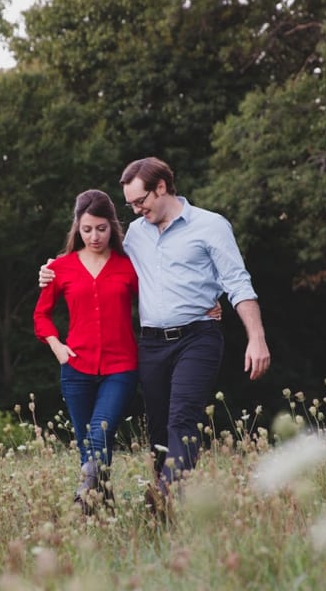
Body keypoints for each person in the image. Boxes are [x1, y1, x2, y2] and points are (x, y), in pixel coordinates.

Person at [41, 157, 271, 509]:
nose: (135, 210)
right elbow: (99, 271)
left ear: (161, 188)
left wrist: (255, 336)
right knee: (160, 428)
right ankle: (160, 502)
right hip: (151, 344)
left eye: (139, 201)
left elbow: (238, 282)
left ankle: (164, 497)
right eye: (130, 204)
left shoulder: (210, 226)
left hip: (198, 336)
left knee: (183, 416)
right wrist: (51, 271)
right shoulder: (136, 233)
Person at [34, 190, 139, 513]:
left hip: (120, 368)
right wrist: (57, 347)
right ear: (77, 228)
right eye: (87, 229)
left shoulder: (129, 267)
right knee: (88, 447)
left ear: (113, 227)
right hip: (76, 368)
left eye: (102, 229)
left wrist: (206, 306)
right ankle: (103, 510)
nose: (95, 236)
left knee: (99, 434)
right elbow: (41, 315)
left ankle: (82, 500)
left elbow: (160, 299)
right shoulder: (60, 268)